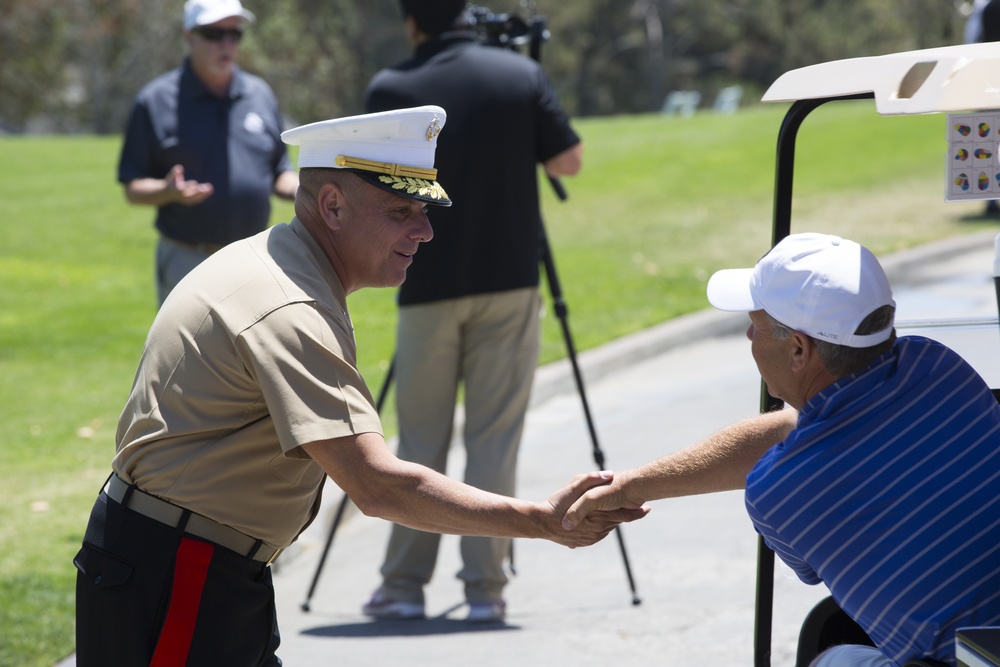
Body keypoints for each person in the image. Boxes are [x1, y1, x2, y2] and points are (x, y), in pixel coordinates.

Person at [74, 105, 645, 667]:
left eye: (424, 210)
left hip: (196, 563)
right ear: (332, 205)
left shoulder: (286, 265)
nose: (424, 231)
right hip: (181, 572)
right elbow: (377, 486)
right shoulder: (289, 305)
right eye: (401, 211)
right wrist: (539, 520)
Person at [562, 233, 1000, 666]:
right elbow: (795, 428)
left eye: (757, 324)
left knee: (834, 659)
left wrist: (630, 488)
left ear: (798, 349)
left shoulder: (779, 492)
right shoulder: (938, 365)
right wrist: (630, 486)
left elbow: (796, 449)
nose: (748, 334)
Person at [360, 0, 584, 624]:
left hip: (423, 280)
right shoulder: (518, 75)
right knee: (494, 438)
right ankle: (485, 587)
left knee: (419, 441)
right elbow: (567, 161)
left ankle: (403, 585)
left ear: (411, 22)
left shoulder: (390, 88)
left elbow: (369, 180)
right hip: (510, 281)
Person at [117, 0, 299, 306]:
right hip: (188, 259)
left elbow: (280, 171)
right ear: (189, 36)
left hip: (255, 258)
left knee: (256, 340)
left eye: (234, 34)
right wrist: (167, 191)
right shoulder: (155, 101)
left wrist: (303, 189)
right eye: (214, 34)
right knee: (191, 341)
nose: (226, 44)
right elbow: (133, 188)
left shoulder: (260, 95)